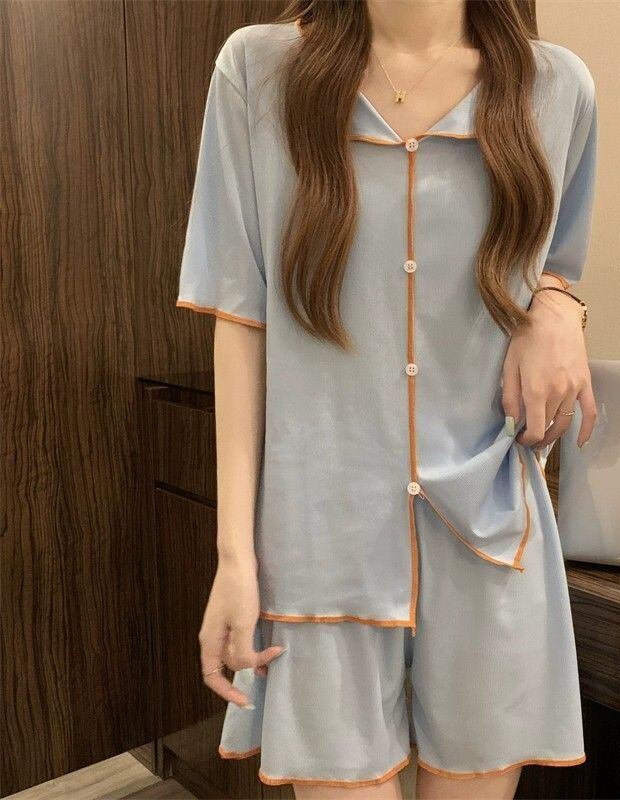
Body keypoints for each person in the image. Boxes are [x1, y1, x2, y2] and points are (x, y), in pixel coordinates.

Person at [176, 1, 598, 797]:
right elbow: (241, 318)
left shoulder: (556, 87)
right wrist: (235, 558)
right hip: (320, 543)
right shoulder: (258, 72)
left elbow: (557, 264)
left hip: (488, 537)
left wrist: (559, 306)